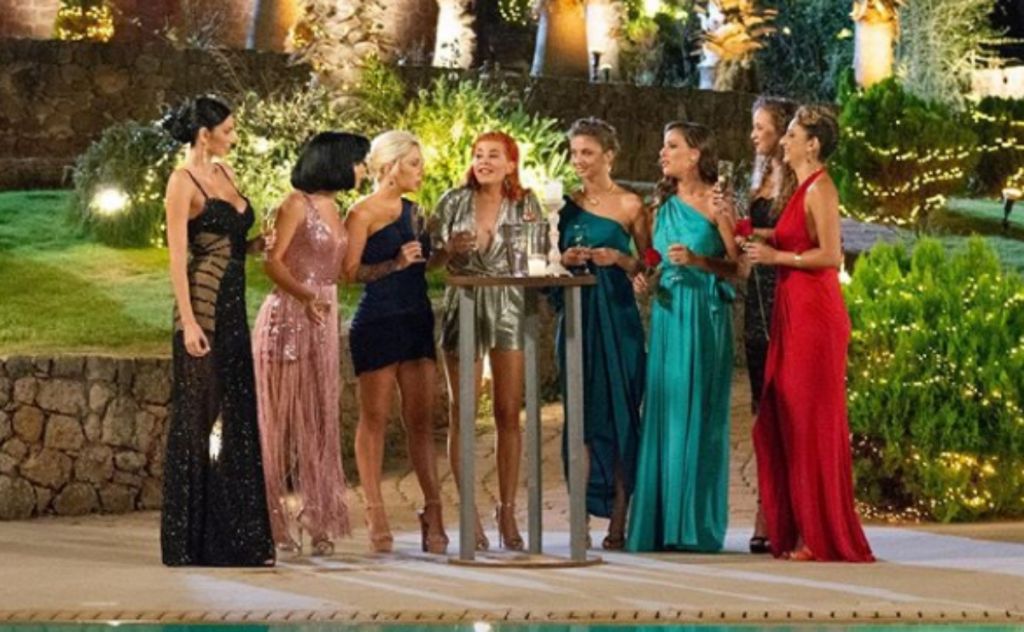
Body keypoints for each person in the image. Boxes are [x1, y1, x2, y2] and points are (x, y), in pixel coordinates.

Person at [744, 105, 874, 562]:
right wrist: (755, 235)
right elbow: (793, 237)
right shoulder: (800, 188)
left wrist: (776, 258)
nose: (784, 141)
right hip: (792, 310)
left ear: (813, 145)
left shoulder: (821, 188)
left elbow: (831, 255)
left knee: (810, 421)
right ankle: (800, 527)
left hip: (814, 316)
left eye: (792, 135)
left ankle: (820, 535)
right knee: (787, 417)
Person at [160, 95, 274, 566]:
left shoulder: (226, 174)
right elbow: (177, 257)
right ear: (204, 135)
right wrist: (188, 322)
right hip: (203, 310)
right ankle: (185, 541)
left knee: (239, 417)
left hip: (233, 311)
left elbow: (228, 243)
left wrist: (256, 245)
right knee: (195, 421)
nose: (234, 137)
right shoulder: (181, 182)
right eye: (228, 130)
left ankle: (240, 538)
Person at [252, 132, 370, 557]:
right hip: (289, 317)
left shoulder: (335, 208)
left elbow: (340, 268)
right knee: (280, 423)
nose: (364, 169)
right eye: (359, 161)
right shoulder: (295, 205)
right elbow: (272, 262)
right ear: (337, 162)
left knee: (320, 419)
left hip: (323, 316)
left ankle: (318, 516)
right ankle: (269, 519)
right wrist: (305, 296)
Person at [627, 122, 738, 553]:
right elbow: (653, 265)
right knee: (665, 412)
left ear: (695, 155)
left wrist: (697, 260)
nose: (662, 153)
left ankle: (693, 525)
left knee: (700, 414)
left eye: (671, 146)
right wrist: (646, 281)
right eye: (663, 145)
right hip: (668, 316)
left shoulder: (717, 203)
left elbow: (740, 268)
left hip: (704, 316)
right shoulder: (661, 205)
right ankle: (660, 523)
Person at [430, 131, 542, 551]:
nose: (484, 161)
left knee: (508, 411)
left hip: (510, 304)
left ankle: (507, 510)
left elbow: (538, 253)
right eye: (478, 155)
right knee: (463, 411)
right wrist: (448, 249)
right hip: (465, 302)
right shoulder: (452, 202)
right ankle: (469, 512)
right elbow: (431, 261)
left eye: (494, 155)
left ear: (511, 163)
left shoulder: (526, 203)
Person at [341, 130, 448, 554]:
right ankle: (375, 511)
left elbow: (427, 264)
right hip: (379, 321)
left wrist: (450, 252)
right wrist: (393, 263)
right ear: (390, 166)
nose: (422, 171)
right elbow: (348, 272)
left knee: (422, 421)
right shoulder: (361, 213)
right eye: (414, 164)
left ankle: (434, 510)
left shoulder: (416, 212)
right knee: (375, 419)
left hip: (416, 318)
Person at [556, 118, 648, 550]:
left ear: (609, 155)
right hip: (578, 317)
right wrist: (566, 258)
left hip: (619, 318)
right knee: (581, 415)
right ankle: (580, 517)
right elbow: (549, 258)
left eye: (587, 152)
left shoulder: (631, 205)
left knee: (621, 413)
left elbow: (648, 263)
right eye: (574, 152)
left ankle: (619, 518)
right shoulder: (565, 205)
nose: (579, 161)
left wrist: (621, 260)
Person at [713, 96, 798, 554]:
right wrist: (727, 220)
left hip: (788, 294)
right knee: (761, 411)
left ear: (783, 132)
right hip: (756, 302)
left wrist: (754, 233)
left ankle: (791, 511)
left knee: (789, 408)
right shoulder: (757, 176)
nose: (753, 134)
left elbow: (803, 236)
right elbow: (740, 254)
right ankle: (767, 510)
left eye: (761, 127)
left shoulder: (800, 180)